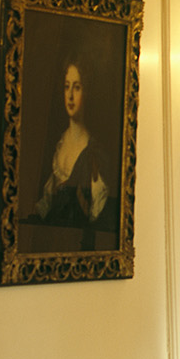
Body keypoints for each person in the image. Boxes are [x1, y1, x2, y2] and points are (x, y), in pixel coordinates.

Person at [26, 55, 116, 250]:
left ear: (87, 91)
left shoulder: (94, 153)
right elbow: (45, 206)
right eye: (67, 86)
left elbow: (96, 213)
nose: (70, 96)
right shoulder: (57, 144)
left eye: (77, 87)